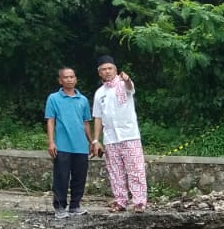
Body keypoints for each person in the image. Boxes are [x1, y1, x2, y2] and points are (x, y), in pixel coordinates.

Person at [89, 55, 147, 213]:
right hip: (111, 138)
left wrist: (127, 79)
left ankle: (139, 202)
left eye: (110, 68)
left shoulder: (123, 85)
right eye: (103, 69)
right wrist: (95, 140)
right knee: (115, 172)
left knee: (135, 170)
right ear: (99, 72)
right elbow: (98, 117)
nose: (107, 72)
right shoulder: (99, 93)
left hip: (129, 135)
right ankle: (120, 201)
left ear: (115, 69)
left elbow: (130, 86)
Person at [44, 67, 92, 217]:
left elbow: (86, 122)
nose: (69, 79)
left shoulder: (82, 99)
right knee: (61, 177)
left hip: (81, 146)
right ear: (60, 80)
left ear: (76, 79)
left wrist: (92, 142)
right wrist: (51, 141)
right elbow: (50, 120)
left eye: (72, 77)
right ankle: (60, 206)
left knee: (80, 177)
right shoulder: (53, 98)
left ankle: (75, 205)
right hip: (63, 145)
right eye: (66, 77)